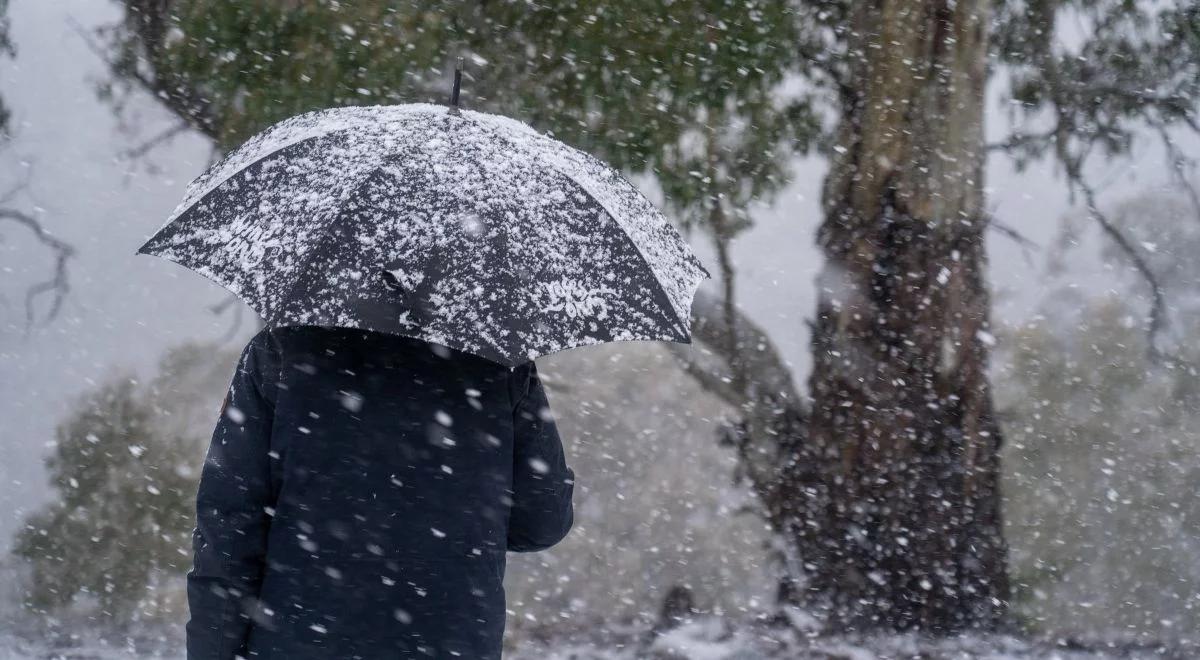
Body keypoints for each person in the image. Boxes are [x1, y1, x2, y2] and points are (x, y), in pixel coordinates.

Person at [185, 326, 575, 659]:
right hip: (451, 639)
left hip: (301, 636)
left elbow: (230, 525)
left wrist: (214, 647)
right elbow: (542, 522)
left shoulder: (281, 349)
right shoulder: (499, 361)